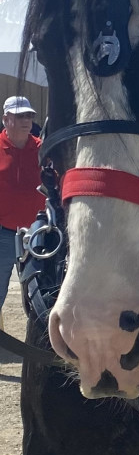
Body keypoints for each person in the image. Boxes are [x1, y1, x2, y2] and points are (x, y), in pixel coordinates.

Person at [0, 96, 44, 330]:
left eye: (29, 116)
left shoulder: (42, 149)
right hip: (3, 235)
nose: (27, 120)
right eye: (20, 116)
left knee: (40, 292)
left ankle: (40, 343)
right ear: (6, 119)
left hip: (37, 236)